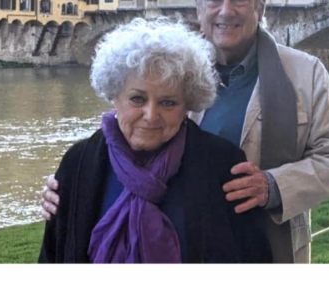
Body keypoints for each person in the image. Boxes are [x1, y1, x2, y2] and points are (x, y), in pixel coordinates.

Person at [43, 0, 329, 263]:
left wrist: (272, 186)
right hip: (178, 229)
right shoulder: (165, 67)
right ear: (199, 9)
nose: (226, 10)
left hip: (269, 234)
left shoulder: (305, 73)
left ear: (261, 8)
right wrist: (72, 184)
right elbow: (127, 133)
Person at [39, 18, 271, 264]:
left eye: (168, 102)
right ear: (114, 95)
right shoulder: (78, 163)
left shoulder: (222, 166)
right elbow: (52, 256)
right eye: (138, 99)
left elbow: (253, 257)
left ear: (187, 106)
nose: (151, 116)